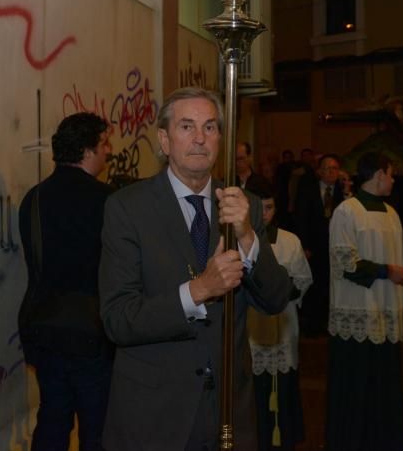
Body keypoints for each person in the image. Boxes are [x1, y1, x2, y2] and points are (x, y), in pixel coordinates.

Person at [99, 87, 291, 451]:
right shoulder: (127, 208)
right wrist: (199, 290)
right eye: (186, 126)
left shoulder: (242, 205)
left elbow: (276, 298)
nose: (200, 138)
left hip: (228, 412)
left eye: (210, 127)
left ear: (222, 139)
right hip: (155, 416)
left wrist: (248, 236)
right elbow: (118, 319)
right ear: (164, 140)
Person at [326, 152, 403, 450]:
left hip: (386, 316)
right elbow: (344, 263)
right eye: (390, 173)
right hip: (357, 316)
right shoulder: (347, 211)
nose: (393, 179)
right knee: (356, 391)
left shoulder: (391, 213)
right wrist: (386, 271)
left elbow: (396, 264)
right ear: (378, 174)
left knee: (383, 393)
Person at [17, 112, 114, 451]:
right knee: (97, 426)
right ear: (88, 150)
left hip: (43, 327)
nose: (108, 150)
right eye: (104, 143)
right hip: (93, 331)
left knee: (53, 418)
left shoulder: (34, 198)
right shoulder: (108, 201)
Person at [243, 180, 312, 451]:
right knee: (252, 394)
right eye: (257, 209)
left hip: (282, 324)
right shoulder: (237, 240)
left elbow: (303, 281)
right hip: (249, 328)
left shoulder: (289, 240)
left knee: (282, 391)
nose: (264, 215)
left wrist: (279, 290)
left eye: (269, 208)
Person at [293, 153, 344, 335]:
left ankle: (329, 321)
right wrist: (304, 245)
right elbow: (301, 219)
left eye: (335, 169)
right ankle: (311, 323)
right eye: (327, 169)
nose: (331, 172)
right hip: (314, 247)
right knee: (314, 285)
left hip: (336, 247)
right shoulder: (308, 190)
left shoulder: (344, 192)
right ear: (319, 172)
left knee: (332, 285)